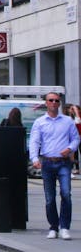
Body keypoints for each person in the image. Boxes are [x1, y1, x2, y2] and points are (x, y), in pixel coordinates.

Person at [29, 91, 80, 240]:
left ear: (59, 103)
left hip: (63, 162)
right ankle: (53, 227)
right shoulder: (40, 122)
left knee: (66, 194)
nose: (54, 103)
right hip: (47, 162)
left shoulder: (67, 121)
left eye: (57, 100)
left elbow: (76, 139)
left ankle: (64, 227)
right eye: (51, 100)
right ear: (46, 103)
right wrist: (34, 158)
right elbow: (34, 141)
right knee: (49, 198)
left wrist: (70, 148)